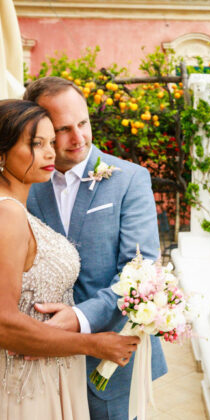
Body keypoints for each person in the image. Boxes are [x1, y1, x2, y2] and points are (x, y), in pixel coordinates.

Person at [24, 77, 167, 420]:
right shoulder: (24, 185)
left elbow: (141, 270)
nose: (79, 138)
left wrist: (79, 317)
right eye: (63, 129)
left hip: (108, 360)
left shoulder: (130, 179)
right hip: (40, 360)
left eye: (83, 123)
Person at [0, 99, 139, 420]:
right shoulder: (7, 214)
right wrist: (93, 345)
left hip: (56, 374)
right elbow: (4, 323)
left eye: (51, 142)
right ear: (2, 152)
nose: (51, 152)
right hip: (27, 385)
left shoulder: (17, 208)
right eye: (37, 144)